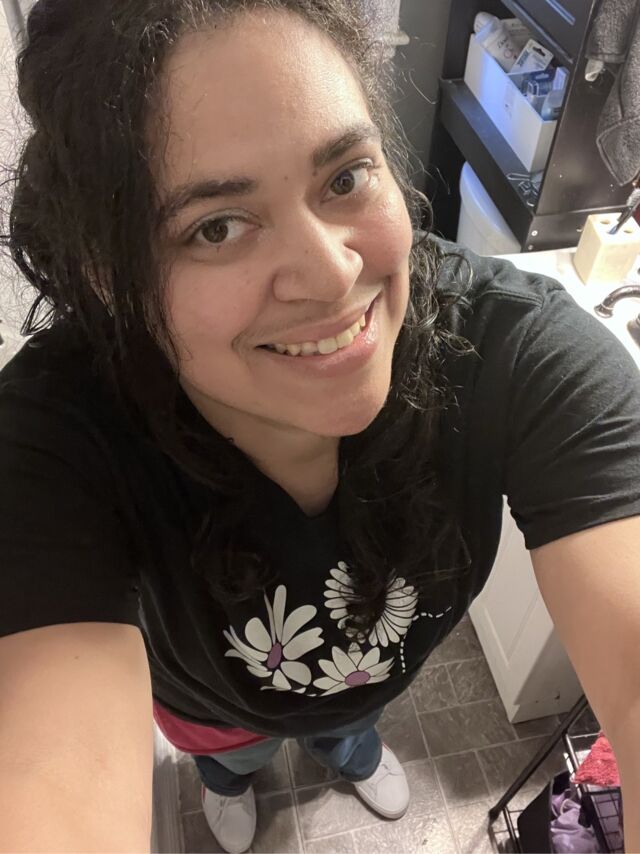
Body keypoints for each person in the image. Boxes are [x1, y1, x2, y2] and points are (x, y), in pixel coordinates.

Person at [1, 1, 640, 852]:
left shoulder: (514, 350)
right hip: (210, 712)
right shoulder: (54, 444)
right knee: (232, 756)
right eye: (217, 227)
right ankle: (233, 779)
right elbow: (55, 778)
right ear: (105, 275)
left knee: (349, 727)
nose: (334, 274)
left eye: (344, 178)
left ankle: (347, 749)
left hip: (369, 686)